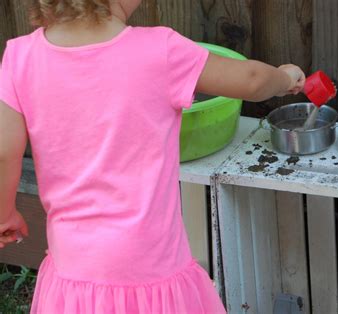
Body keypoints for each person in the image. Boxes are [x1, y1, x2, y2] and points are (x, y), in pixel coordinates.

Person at [0, 0, 305, 312]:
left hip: (73, 273)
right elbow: (252, 79)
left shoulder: (20, 56)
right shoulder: (160, 50)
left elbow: (4, 149)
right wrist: (284, 77)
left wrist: (4, 211)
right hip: (151, 269)